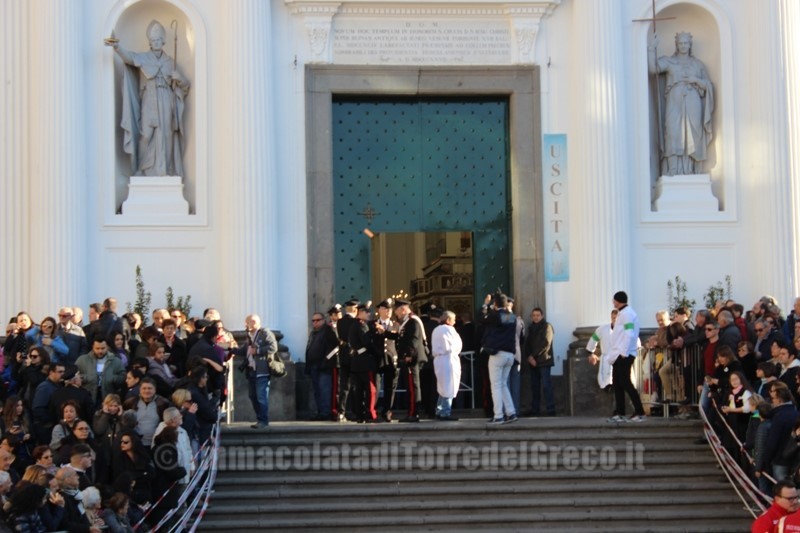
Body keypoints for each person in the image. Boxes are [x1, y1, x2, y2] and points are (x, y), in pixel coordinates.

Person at [105, 20, 190, 177]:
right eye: (153, 40)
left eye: (159, 39)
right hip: (149, 100)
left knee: (166, 134)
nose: (156, 42)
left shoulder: (170, 62)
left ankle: (165, 169)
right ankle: (142, 169)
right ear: (149, 42)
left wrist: (179, 78)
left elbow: (185, 86)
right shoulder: (143, 58)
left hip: (166, 100)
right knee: (146, 134)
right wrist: (117, 46)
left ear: (163, 41)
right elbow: (129, 57)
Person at [648, 31, 713, 176]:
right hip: (674, 100)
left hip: (693, 100)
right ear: (676, 45)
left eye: (686, 43)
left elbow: (708, 86)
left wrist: (696, 80)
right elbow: (653, 68)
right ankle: (673, 170)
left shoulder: (697, 65)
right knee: (673, 131)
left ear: (690, 45)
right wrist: (651, 49)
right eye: (680, 43)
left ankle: (692, 170)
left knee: (694, 133)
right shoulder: (670, 61)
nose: (683, 46)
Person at [231, 315, 277, 429]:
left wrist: (258, 351)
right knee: (252, 396)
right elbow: (244, 350)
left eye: (247, 322)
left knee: (261, 396)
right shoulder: (249, 336)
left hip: (262, 371)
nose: (245, 325)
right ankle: (259, 418)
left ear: (254, 322)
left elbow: (273, 347)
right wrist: (230, 349)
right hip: (251, 370)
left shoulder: (265, 333)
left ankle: (263, 421)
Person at [607, 291, 646, 423]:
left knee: (625, 382)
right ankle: (620, 412)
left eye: (614, 300)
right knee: (617, 383)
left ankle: (640, 411)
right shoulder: (622, 313)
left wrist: (624, 352)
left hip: (624, 354)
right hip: (619, 353)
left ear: (618, 301)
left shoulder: (627, 314)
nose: (613, 302)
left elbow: (629, 333)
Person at [480, 293, 518, 425]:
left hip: (498, 354)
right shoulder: (512, 316)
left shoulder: (495, 316)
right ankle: (511, 412)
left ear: (495, 304)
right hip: (510, 354)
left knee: (496, 385)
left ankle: (498, 415)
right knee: (503, 384)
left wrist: (485, 305)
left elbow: (482, 318)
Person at [390, 299, 428, 423]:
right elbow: (401, 337)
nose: (395, 313)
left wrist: (408, 354)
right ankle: (411, 411)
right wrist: (385, 333)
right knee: (410, 385)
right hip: (408, 358)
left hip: (412, 359)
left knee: (413, 386)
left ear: (403, 309)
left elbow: (414, 339)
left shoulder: (413, 321)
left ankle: (413, 413)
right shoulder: (406, 322)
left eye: (396, 310)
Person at [304, 312, 339, 421]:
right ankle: (319, 412)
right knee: (316, 391)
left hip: (324, 366)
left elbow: (335, 347)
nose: (315, 322)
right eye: (313, 320)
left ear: (323, 320)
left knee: (324, 390)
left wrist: (326, 360)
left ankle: (325, 412)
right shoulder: (313, 333)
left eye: (317, 320)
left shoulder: (328, 331)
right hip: (313, 366)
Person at [431, 311, 462, 421]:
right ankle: (445, 411)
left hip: (440, 359)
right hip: (448, 360)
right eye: (453, 319)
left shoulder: (436, 329)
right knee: (449, 385)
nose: (455, 322)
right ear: (448, 320)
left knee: (443, 386)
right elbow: (455, 345)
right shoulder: (448, 329)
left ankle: (439, 410)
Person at [525, 307, 556, 416]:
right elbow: (527, 344)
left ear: (542, 316)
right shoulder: (531, 328)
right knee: (535, 387)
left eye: (538, 315)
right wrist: (529, 357)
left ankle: (551, 409)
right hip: (533, 362)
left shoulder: (547, 327)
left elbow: (546, 343)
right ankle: (535, 410)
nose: (536, 317)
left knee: (546, 386)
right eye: (533, 315)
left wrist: (532, 356)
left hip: (544, 361)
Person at [587, 310, 618, 390]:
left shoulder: (625, 330)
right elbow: (594, 339)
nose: (615, 320)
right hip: (607, 358)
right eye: (613, 318)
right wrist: (591, 353)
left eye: (617, 318)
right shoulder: (603, 329)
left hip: (620, 358)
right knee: (607, 380)